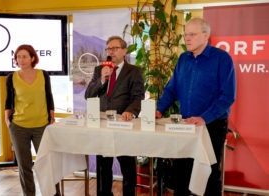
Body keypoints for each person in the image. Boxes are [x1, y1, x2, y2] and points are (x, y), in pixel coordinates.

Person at [156, 18, 236, 196]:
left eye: (192, 34)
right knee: (181, 170)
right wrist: (159, 109)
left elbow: (228, 96)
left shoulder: (222, 59)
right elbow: (171, 89)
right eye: (185, 35)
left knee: (208, 172)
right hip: (186, 124)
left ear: (205, 35)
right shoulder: (184, 59)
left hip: (212, 125)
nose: (187, 39)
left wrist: (204, 118)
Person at [85, 36, 144, 196]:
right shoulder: (100, 70)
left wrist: (130, 111)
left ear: (124, 51)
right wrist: (102, 81)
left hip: (123, 125)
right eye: (108, 49)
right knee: (103, 166)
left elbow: (138, 97)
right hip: (103, 125)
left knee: (127, 167)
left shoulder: (134, 71)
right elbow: (89, 95)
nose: (110, 52)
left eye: (114, 48)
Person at [5, 44, 58, 196]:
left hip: (41, 126)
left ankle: (54, 194)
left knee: (47, 164)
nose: (21, 60)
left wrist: (51, 117)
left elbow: (49, 97)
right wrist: (8, 122)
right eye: (18, 57)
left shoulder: (43, 74)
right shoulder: (12, 77)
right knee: (24, 166)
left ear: (32, 58)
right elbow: (8, 101)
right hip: (19, 127)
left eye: (24, 56)